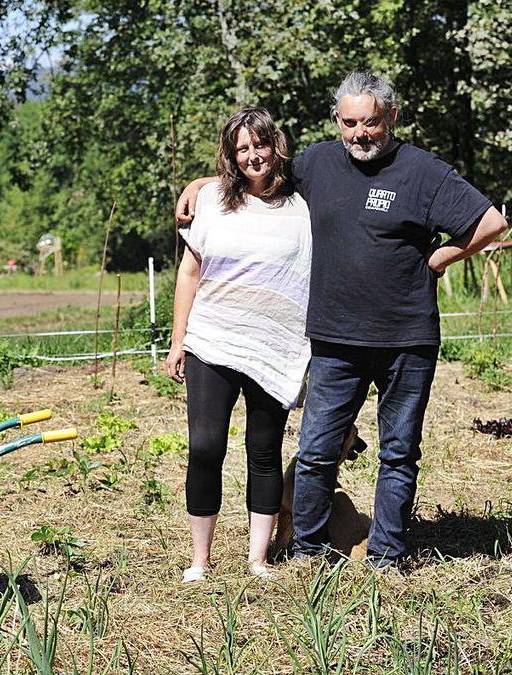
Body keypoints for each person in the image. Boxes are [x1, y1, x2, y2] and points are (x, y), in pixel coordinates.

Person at [175, 72, 507, 568]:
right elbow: (257, 172)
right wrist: (202, 183)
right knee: (316, 450)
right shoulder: (317, 164)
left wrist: (441, 258)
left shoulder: (424, 171)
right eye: (349, 123)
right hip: (334, 339)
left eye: (370, 122)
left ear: (391, 116)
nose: (360, 133)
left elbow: (491, 221)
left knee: (397, 452)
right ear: (337, 121)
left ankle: (387, 555)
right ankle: (309, 551)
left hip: (407, 338)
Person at [165, 106, 311, 581]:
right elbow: (189, 272)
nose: (253, 155)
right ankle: (199, 561)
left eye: (259, 144)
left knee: (263, 450)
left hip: (274, 343)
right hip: (212, 339)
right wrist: (177, 340)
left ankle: (257, 559)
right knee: (205, 447)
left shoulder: (302, 204)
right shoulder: (211, 200)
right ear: (230, 155)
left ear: (276, 145)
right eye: (242, 148)